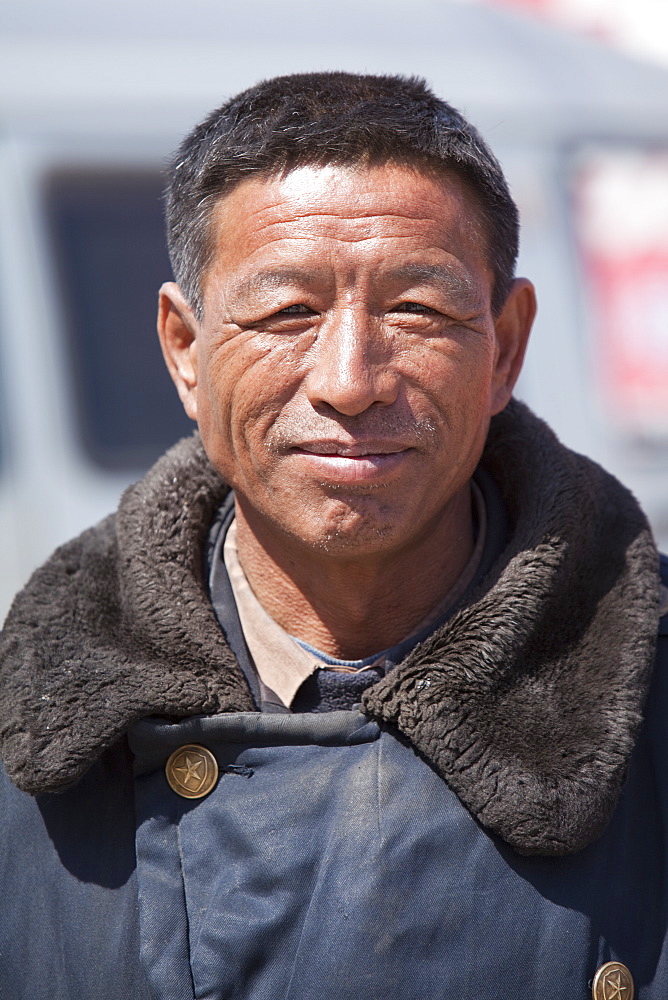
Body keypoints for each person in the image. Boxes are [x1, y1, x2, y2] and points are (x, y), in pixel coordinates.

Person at [0, 72, 666, 1000]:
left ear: (506, 347)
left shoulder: (649, 699)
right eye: (288, 313)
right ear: (186, 351)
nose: (349, 381)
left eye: (417, 311)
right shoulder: (31, 733)